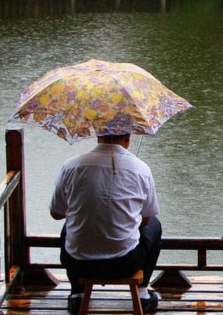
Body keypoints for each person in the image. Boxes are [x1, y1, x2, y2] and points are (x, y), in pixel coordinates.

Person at [50, 134, 163, 314]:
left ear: (98, 136)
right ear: (127, 138)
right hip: (124, 263)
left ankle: (77, 294)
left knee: (69, 225)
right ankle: (142, 294)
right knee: (155, 226)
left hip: (79, 264)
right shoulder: (141, 168)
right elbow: (147, 219)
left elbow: (56, 213)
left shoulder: (71, 165)